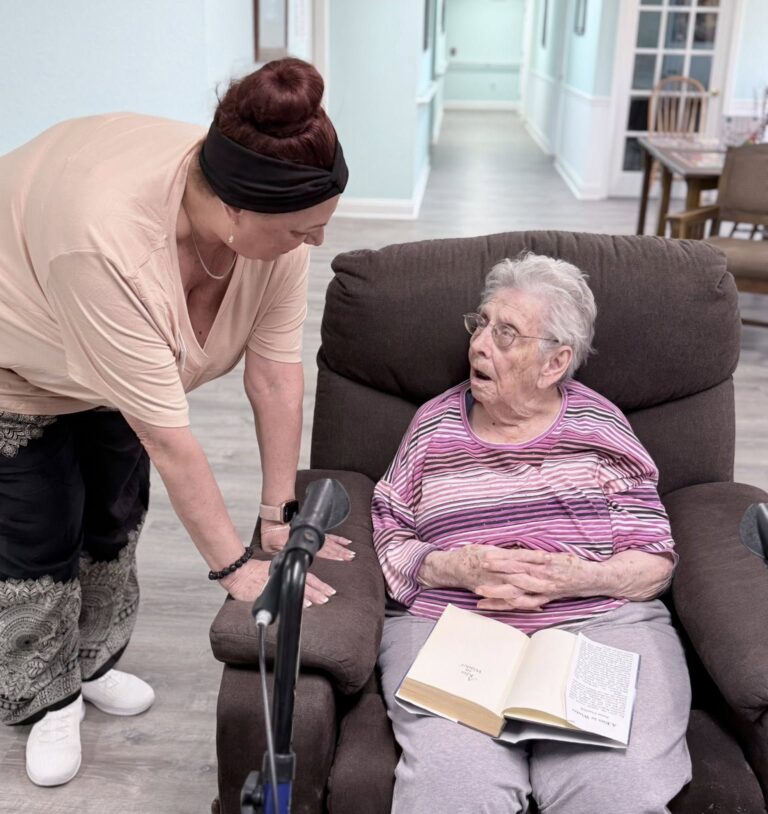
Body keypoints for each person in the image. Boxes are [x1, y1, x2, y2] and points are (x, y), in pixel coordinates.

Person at [0, 57, 354, 787]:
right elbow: (170, 438)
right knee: (37, 533)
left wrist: (278, 516)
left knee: (115, 516)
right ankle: (46, 696)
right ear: (233, 213)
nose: (313, 245)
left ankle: (92, 663)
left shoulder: (273, 232)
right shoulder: (106, 243)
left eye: (321, 227)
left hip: (113, 349)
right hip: (18, 355)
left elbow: (275, 374)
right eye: (301, 232)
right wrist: (236, 569)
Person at [372, 254, 691, 814]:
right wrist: (455, 566)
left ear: (554, 363)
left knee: (613, 790)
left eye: (507, 334)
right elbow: (389, 528)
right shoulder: (433, 425)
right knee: (454, 789)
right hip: (456, 625)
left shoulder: (601, 428)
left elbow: (655, 558)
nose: (479, 345)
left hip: (596, 621)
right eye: (482, 324)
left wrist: (580, 578)